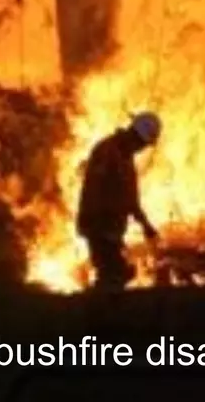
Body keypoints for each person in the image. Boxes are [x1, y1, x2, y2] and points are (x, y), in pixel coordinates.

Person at [74, 111, 161, 290]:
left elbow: (130, 199)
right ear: (136, 135)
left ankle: (102, 311)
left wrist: (146, 225)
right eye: (144, 143)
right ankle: (97, 313)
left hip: (111, 229)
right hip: (98, 226)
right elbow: (94, 189)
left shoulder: (125, 157)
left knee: (118, 273)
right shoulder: (107, 151)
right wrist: (98, 227)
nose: (144, 148)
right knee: (112, 275)